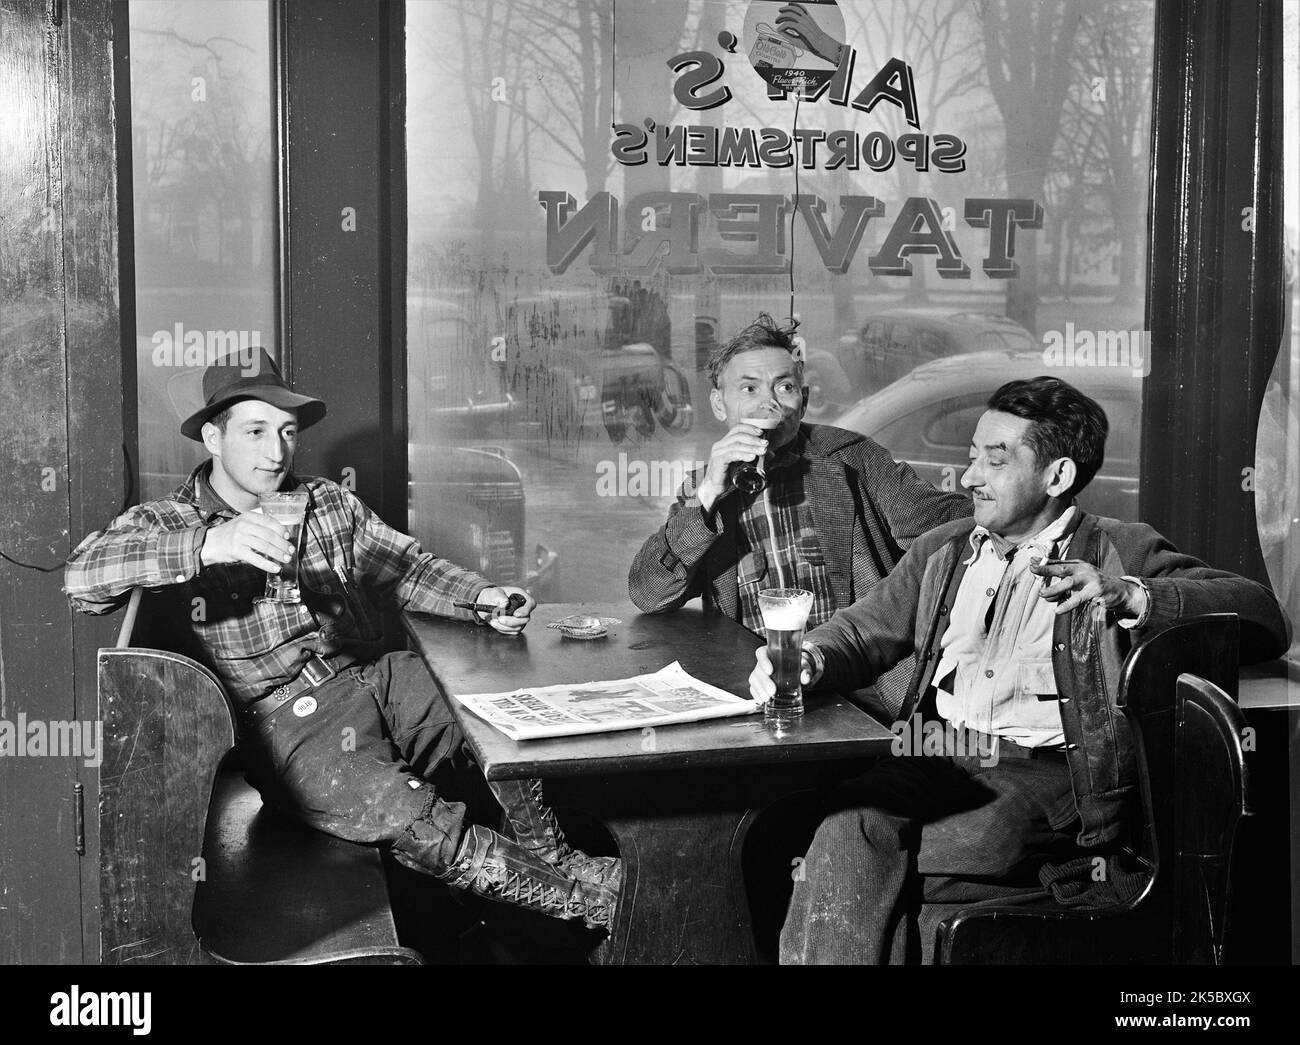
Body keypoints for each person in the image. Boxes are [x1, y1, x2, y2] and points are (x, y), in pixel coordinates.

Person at [65, 348, 619, 930]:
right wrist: (211, 546)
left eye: (286, 431)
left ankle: (560, 861)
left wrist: (480, 598)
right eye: (254, 431)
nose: (275, 451)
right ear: (212, 436)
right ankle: (598, 908)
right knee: (415, 818)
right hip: (288, 728)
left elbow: (407, 569)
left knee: (501, 710)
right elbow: (82, 578)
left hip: (371, 682)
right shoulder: (170, 521)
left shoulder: (326, 501)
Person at [749, 375, 1292, 964]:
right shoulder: (947, 548)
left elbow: (1261, 616)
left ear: (1057, 476)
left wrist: (1130, 596)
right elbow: (861, 629)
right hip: (936, 753)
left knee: (857, 845)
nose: (969, 478)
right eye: (972, 457)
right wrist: (810, 657)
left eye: (996, 460)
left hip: (1049, 776)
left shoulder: (1118, 549)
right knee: (862, 847)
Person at [628, 312, 970, 718]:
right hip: (759, 686)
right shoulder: (706, 485)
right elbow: (648, 593)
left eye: (784, 387)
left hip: (865, 691)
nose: (768, 404)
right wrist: (706, 496)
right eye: (749, 388)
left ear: (803, 401)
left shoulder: (852, 458)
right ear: (720, 405)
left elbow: (957, 526)